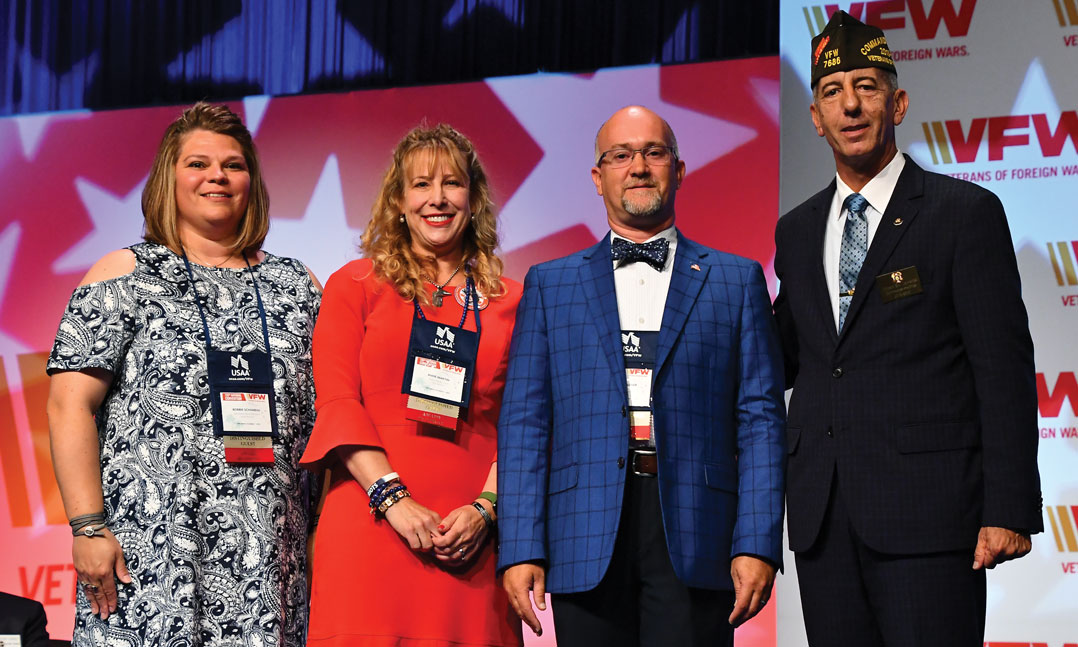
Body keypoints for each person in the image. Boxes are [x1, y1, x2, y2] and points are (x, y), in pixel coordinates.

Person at [773, 11, 1042, 647]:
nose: (851, 106)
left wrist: (1006, 509)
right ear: (815, 117)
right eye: (833, 93)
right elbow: (791, 353)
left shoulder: (963, 214)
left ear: (898, 102)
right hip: (823, 519)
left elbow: (1001, 369)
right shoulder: (798, 228)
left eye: (867, 87)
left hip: (931, 519)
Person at [497, 105, 786, 647]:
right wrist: (521, 546)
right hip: (582, 531)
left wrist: (757, 541)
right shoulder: (549, 285)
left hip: (698, 530)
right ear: (597, 176)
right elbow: (524, 426)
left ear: (678, 170)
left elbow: (762, 422)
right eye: (621, 155)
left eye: (654, 153)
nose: (638, 167)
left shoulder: (736, 280)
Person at [45, 103, 322, 647]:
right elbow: (68, 406)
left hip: (271, 562)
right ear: (168, 179)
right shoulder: (124, 273)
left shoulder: (299, 286)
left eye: (233, 165)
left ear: (252, 183)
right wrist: (88, 527)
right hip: (148, 558)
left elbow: (326, 420)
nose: (217, 175)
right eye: (198, 163)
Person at [299, 123, 523, 647]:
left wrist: (486, 509)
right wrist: (392, 498)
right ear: (398, 200)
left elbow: (529, 424)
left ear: (475, 199)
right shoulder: (354, 285)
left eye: (452, 183)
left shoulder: (515, 299)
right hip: (368, 526)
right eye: (421, 185)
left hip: (473, 540)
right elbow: (336, 401)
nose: (438, 199)